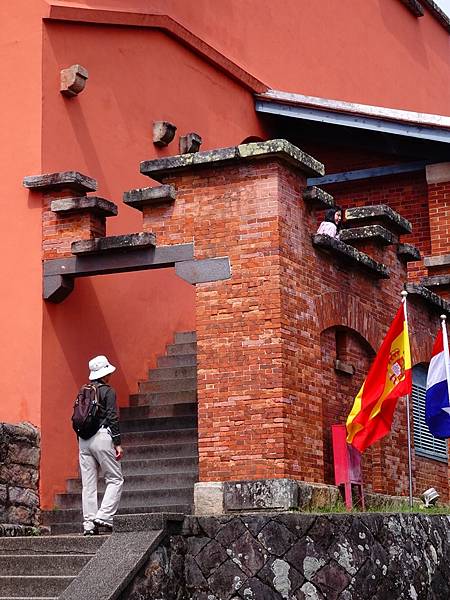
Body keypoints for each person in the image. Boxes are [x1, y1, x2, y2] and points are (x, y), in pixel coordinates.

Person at [78, 355, 124, 535]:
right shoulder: (108, 391)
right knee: (115, 478)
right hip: (102, 437)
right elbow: (112, 416)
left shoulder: (83, 390)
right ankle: (104, 516)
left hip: (83, 440)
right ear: (105, 374)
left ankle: (88, 524)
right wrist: (118, 443)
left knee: (88, 484)